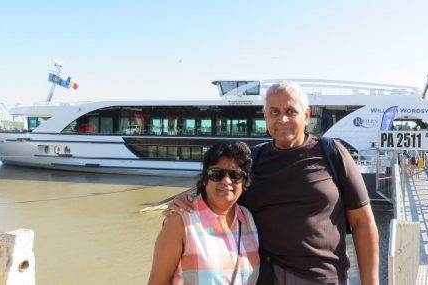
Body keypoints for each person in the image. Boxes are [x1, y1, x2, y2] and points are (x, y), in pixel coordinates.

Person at [167, 80, 379, 284]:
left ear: (306, 115)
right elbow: (220, 199)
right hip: (264, 277)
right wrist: (187, 204)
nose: (282, 119)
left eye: (291, 111)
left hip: (323, 278)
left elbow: (363, 222)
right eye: (274, 112)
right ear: (266, 116)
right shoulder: (254, 159)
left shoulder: (332, 153)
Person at [148, 141, 260, 285]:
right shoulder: (180, 221)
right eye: (217, 174)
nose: (226, 181)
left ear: (243, 180)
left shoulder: (248, 219)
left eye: (235, 175)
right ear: (205, 178)